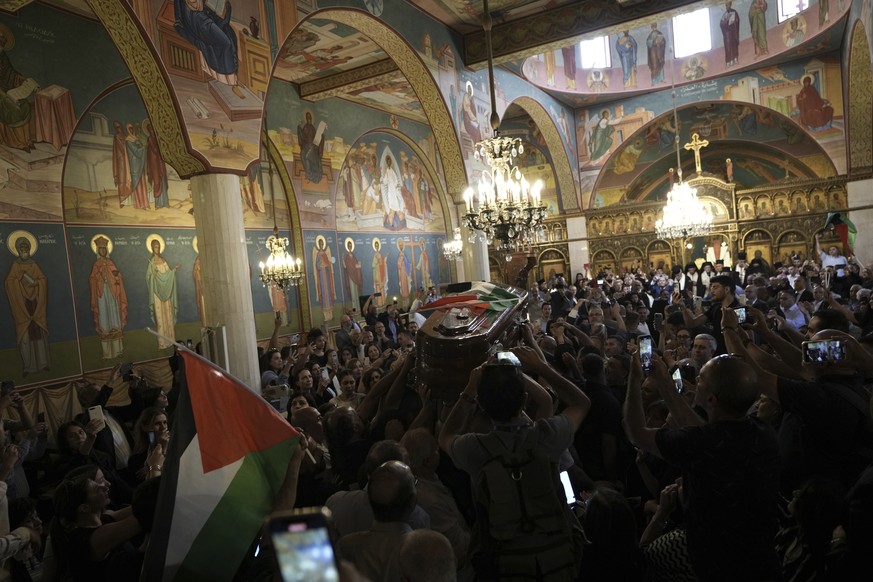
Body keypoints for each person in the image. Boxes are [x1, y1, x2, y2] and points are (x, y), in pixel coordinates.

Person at [624, 352, 782, 581]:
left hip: (719, 566)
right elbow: (703, 433)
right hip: (762, 559)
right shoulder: (762, 432)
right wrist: (666, 386)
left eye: (700, 380)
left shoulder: (700, 444)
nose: (695, 382)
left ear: (712, 400)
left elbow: (636, 433)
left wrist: (634, 377)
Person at [439, 347, 591, 581]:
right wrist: (540, 367)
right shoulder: (546, 436)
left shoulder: (476, 449)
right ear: (524, 399)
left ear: (481, 402)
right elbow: (581, 403)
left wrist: (469, 390)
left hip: (506, 563)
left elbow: (446, 436)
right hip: (557, 558)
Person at [173, 0, 244, 98]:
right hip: (197, 20)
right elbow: (179, 19)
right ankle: (231, 81)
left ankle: (234, 79)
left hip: (202, 12)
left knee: (229, 32)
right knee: (226, 43)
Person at [5, 234, 50, 375]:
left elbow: (43, 279)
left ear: (29, 249)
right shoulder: (15, 265)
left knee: (39, 335)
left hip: (35, 303)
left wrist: (37, 283)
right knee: (25, 336)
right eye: (21, 247)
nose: (23, 250)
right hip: (23, 306)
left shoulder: (33, 264)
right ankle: (28, 366)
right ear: (18, 250)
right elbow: (8, 283)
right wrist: (18, 279)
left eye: (26, 247)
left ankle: (43, 363)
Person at [88, 235, 128, 360]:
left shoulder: (111, 263)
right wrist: (98, 276)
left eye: (104, 248)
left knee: (115, 319)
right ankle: (107, 353)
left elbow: (118, 278)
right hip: (101, 296)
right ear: (97, 250)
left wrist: (116, 277)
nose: (103, 251)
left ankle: (118, 350)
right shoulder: (96, 265)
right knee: (104, 320)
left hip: (112, 296)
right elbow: (92, 279)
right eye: (101, 249)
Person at [0, 28, 37, 152]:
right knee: (13, 109)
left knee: (25, 104)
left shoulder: (2, 55)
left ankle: (27, 140)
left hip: (7, 89)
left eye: (2, 43)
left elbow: (10, 72)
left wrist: (22, 79)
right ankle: (18, 143)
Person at [145, 235, 180, 349]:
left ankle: (171, 340)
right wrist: (152, 276)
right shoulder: (151, 263)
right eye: (155, 246)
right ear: (151, 248)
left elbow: (168, 274)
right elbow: (148, 278)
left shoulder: (163, 260)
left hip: (167, 292)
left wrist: (174, 270)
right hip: (156, 293)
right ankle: (162, 343)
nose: (157, 248)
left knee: (168, 316)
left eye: (158, 246)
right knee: (160, 318)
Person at [312, 236, 336, 322]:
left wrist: (328, 264)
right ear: (318, 245)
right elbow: (317, 266)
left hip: (326, 275)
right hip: (322, 276)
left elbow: (329, 264)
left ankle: (331, 314)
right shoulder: (318, 254)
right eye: (320, 244)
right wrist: (321, 266)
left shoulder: (325, 254)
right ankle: (326, 316)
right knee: (324, 293)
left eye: (322, 243)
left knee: (328, 293)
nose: (321, 245)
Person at [297, 110, 324, 183]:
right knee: (305, 156)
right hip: (307, 146)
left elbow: (317, 138)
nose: (309, 118)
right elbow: (302, 137)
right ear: (306, 118)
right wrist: (299, 128)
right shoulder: (306, 127)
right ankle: (309, 174)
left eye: (310, 117)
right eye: (308, 117)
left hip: (313, 146)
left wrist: (321, 134)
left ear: (311, 118)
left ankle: (312, 174)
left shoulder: (312, 127)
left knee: (310, 156)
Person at [343, 239, 363, 308]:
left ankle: (358, 307)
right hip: (351, 277)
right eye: (349, 246)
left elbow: (356, 264)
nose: (350, 247)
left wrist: (358, 266)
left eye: (351, 246)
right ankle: (354, 307)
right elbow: (348, 266)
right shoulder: (347, 257)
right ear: (347, 247)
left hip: (356, 276)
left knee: (356, 291)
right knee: (353, 292)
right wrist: (355, 267)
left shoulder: (354, 256)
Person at [720, 1, 740, 66]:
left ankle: (735, 59)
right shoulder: (725, 14)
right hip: (727, 35)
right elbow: (721, 23)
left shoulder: (734, 12)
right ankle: (728, 62)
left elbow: (736, 20)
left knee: (734, 46)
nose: (727, 7)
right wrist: (726, 22)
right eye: (726, 5)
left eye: (728, 5)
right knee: (728, 47)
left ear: (730, 5)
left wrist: (732, 22)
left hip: (733, 33)